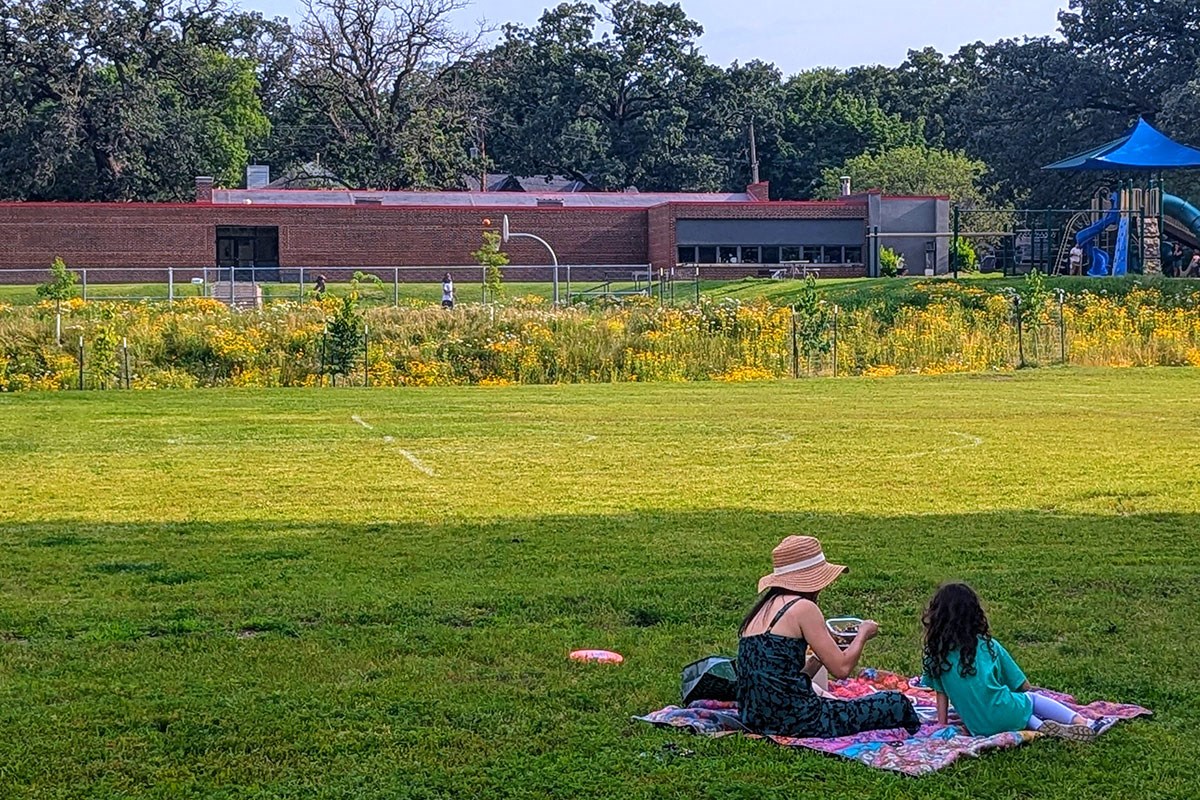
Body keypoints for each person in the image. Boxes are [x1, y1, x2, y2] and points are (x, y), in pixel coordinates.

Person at [736, 536, 921, 738]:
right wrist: (863, 634)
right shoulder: (804, 608)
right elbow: (841, 669)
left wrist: (818, 657)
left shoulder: (761, 611)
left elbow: (783, 678)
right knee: (895, 702)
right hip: (797, 719)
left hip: (754, 717)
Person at [922, 583, 1098, 741]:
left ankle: (1038, 726)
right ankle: (1080, 720)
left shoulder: (936, 654)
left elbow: (941, 693)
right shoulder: (988, 646)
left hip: (978, 727)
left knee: (1016, 708)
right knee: (1030, 700)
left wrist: (943, 724)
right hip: (1006, 711)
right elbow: (1023, 685)